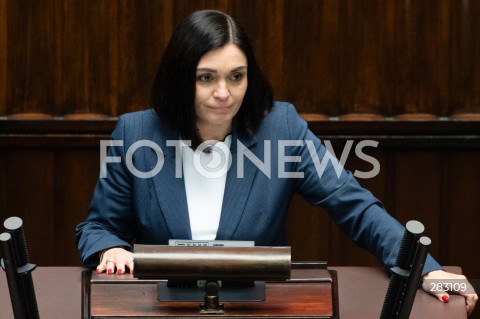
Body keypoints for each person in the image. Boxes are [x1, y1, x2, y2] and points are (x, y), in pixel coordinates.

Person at [75, 9, 477, 315]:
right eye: (206, 78)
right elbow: (96, 227)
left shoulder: (280, 126)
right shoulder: (136, 132)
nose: (223, 93)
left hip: (257, 309)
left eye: (236, 76)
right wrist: (110, 248)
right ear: (180, 78)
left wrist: (425, 268)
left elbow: (353, 204)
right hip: (162, 309)